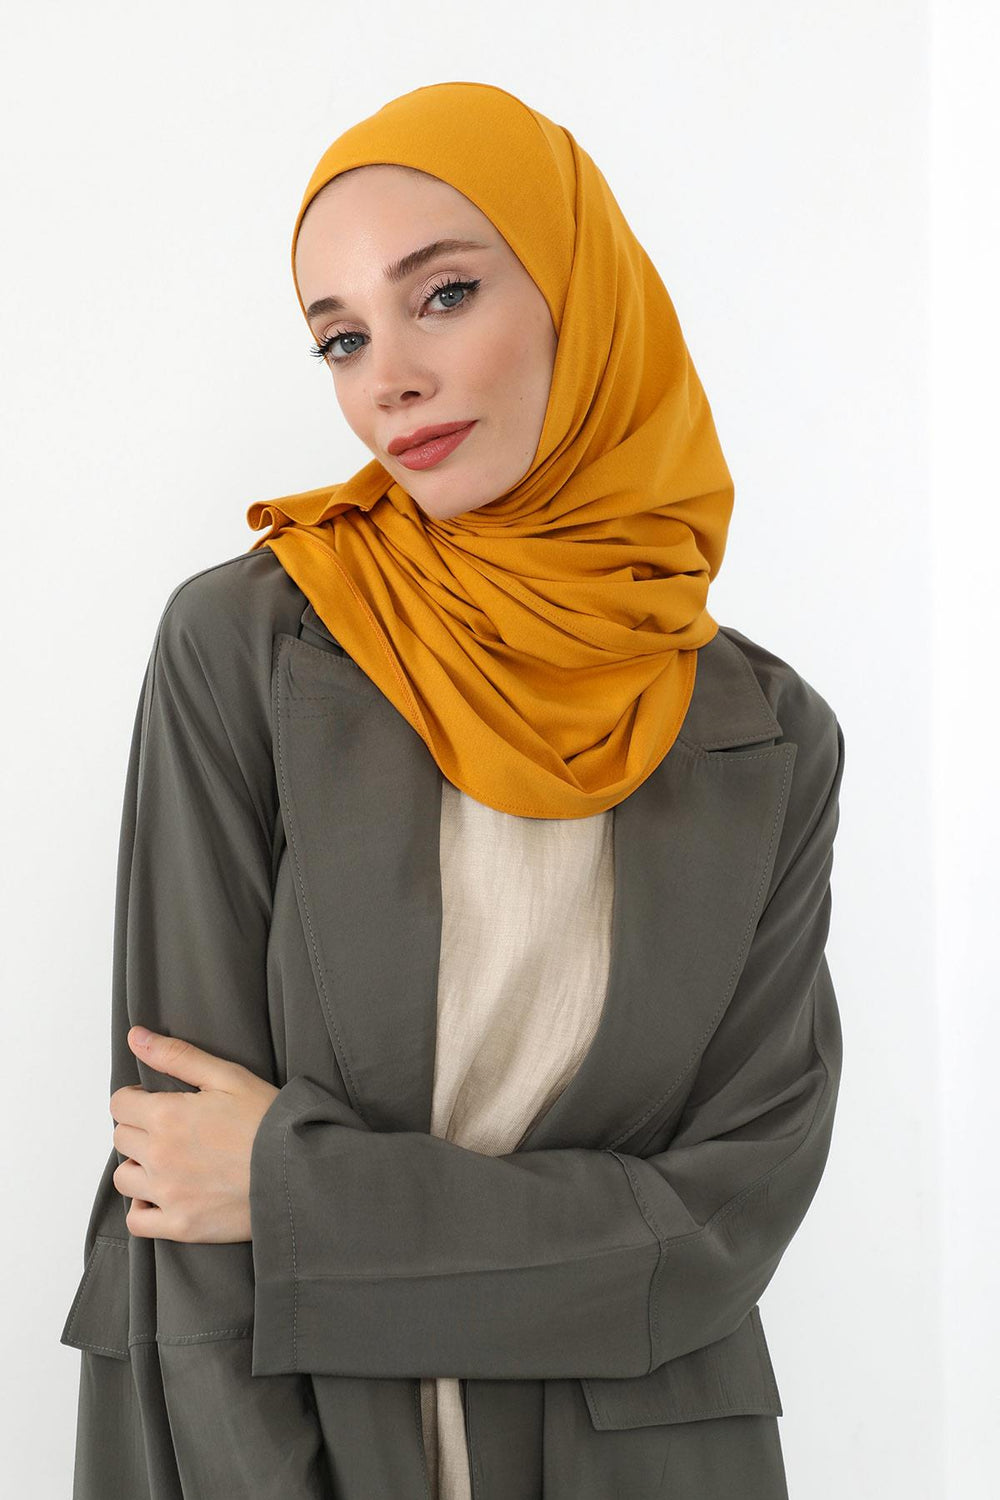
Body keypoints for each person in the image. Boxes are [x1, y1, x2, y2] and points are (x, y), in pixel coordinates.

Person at [61, 81, 846, 1500]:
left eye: (445, 295)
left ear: (579, 299)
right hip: (308, 1450)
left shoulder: (769, 736)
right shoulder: (251, 647)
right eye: (342, 338)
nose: (389, 380)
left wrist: (297, 1194)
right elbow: (178, 1190)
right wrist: (555, 1237)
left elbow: (714, 1232)